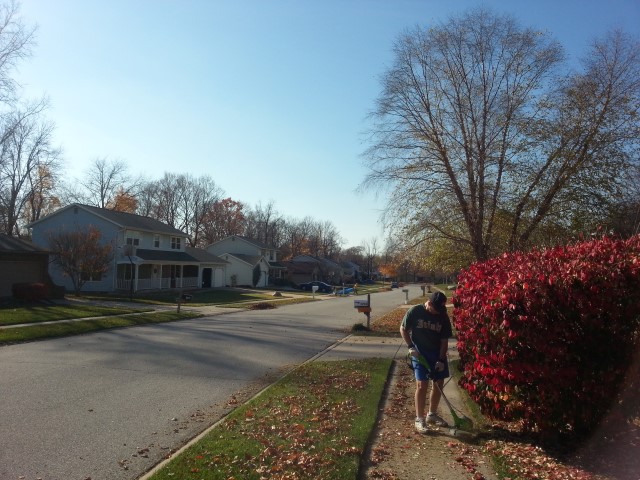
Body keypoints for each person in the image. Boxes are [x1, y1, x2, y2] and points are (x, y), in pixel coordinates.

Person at [400, 290, 452, 433]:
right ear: (429, 303)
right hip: (419, 354)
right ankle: (419, 419)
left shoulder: (443, 315)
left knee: (439, 384)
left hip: (437, 353)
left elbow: (444, 340)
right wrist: (410, 347)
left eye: (440, 309)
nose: (437, 312)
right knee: (422, 385)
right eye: (436, 309)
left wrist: (441, 359)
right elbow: (403, 329)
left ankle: (432, 415)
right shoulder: (415, 311)